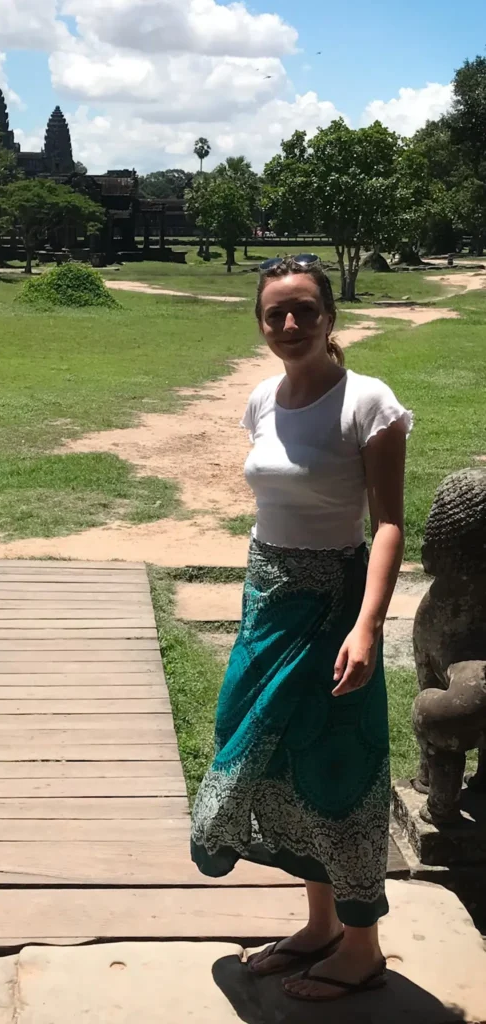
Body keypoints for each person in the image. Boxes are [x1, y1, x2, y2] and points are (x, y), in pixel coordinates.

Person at [191, 256, 411, 1004]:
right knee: (273, 756)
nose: (288, 325)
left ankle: (361, 947)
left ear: (329, 318)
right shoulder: (260, 399)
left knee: (338, 766)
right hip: (267, 601)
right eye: (274, 313)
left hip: (334, 607)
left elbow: (386, 525)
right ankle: (317, 927)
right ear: (259, 321)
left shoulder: (367, 403)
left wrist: (367, 627)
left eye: (304, 311)